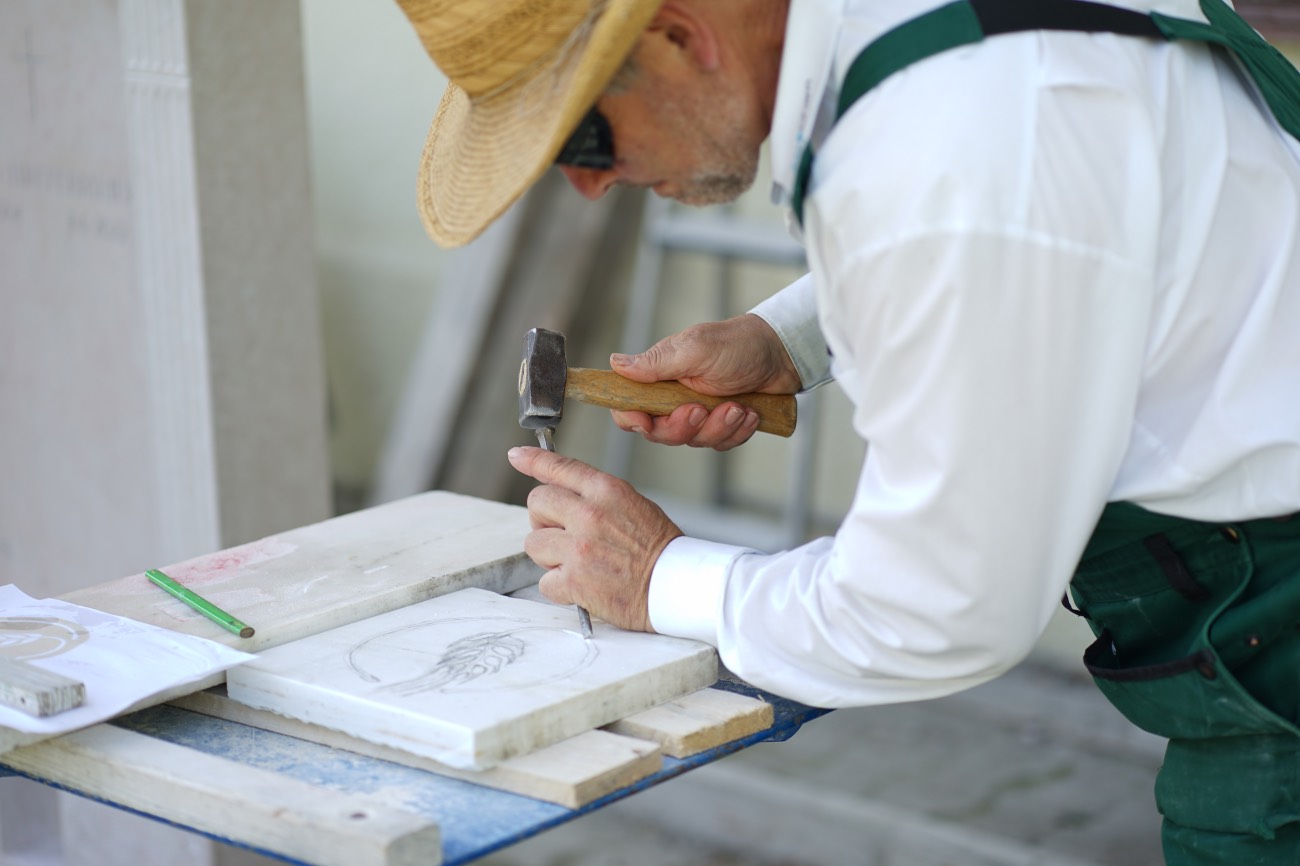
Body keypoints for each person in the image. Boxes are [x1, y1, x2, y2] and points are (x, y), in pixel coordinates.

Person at [393, 0, 1300, 861]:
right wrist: (784, 340)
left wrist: (660, 576)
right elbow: (1039, 239)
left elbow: (938, 606)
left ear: (677, 35)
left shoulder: (951, 147)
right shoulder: (922, 53)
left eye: (583, 137)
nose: (589, 185)